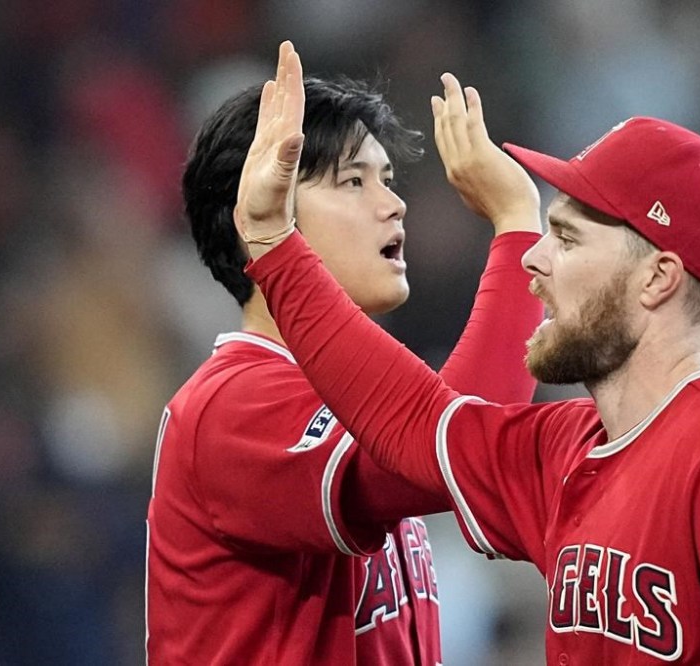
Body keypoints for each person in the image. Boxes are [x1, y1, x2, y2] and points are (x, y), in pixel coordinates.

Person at [239, 43, 700, 664]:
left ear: (658, 278)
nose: (534, 256)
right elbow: (413, 425)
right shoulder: (563, 448)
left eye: (568, 239)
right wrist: (273, 243)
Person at [145, 42, 544, 664]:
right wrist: (518, 222)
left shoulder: (350, 397)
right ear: (258, 205)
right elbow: (463, 447)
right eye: (353, 181)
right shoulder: (233, 404)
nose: (393, 203)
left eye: (387, 179)